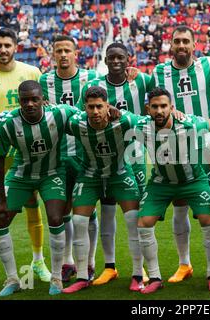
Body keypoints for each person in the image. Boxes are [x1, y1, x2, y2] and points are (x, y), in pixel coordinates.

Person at [0, 27, 50, 291]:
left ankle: (38, 260)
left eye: (7, 45)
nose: (3, 50)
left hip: (27, 152)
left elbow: (46, 103)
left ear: (16, 46)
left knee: (31, 201)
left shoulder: (31, 72)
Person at [136, 88, 210, 294]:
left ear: (172, 107)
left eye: (163, 106)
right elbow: (120, 118)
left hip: (193, 180)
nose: (159, 111)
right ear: (148, 109)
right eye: (155, 107)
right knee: (143, 223)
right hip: (161, 182)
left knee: (208, 220)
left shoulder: (190, 124)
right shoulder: (141, 126)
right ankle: (154, 277)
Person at [150, 25, 210, 283]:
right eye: (176, 41)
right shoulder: (159, 72)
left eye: (185, 41)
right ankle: (184, 264)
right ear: (171, 45)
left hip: (204, 145)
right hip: (174, 149)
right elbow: (150, 100)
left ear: (194, 44)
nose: (181, 45)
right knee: (179, 207)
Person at [0, 80, 78, 296]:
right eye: (24, 100)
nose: (29, 104)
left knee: (56, 218)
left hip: (52, 173)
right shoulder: (8, 124)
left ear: (42, 99)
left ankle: (56, 278)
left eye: (34, 99)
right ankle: (12, 279)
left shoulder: (59, 113)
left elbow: (86, 116)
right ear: (19, 101)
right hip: (21, 176)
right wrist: (1, 199)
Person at [78, 43, 151, 286]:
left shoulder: (140, 80)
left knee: (136, 216)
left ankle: (143, 269)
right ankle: (110, 266)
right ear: (106, 60)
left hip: (135, 155)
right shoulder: (95, 87)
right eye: (112, 58)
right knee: (108, 210)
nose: (116, 61)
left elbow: (162, 94)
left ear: (129, 59)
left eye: (121, 57)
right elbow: (83, 116)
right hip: (105, 158)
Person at [62, 86, 147, 293]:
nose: (95, 111)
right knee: (79, 220)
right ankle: (82, 276)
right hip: (90, 175)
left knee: (132, 221)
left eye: (100, 106)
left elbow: (151, 123)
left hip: (120, 173)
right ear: (85, 107)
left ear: (107, 106)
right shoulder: (76, 123)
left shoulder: (124, 120)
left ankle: (137, 274)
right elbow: (56, 116)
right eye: (91, 107)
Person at [39, 35, 100, 283]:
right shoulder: (44, 81)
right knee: (62, 210)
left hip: (85, 153)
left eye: (67, 50)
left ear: (76, 53)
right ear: (52, 54)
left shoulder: (90, 78)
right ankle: (67, 261)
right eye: (58, 51)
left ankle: (92, 261)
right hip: (57, 155)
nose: (63, 54)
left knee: (86, 209)